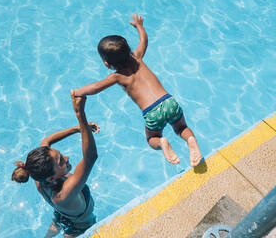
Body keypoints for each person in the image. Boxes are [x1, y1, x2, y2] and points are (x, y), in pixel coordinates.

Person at [73, 14, 202, 167]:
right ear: (128, 50)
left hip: (151, 112)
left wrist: (77, 91)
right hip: (169, 101)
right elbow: (144, 41)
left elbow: (95, 88)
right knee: (182, 128)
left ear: (107, 64)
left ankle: (162, 143)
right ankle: (191, 140)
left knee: (151, 139)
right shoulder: (138, 57)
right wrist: (140, 26)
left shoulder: (117, 77)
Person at [12, 91, 99, 237]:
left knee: (58, 222)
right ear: (51, 178)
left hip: (62, 214)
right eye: (61, 161)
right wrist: (80, 117)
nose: (66, 157)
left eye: (60, 155)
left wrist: (76, 130)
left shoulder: (39, 179)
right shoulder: (64, 193)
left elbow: (46, 141)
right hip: (80, 226)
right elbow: (91, 157)